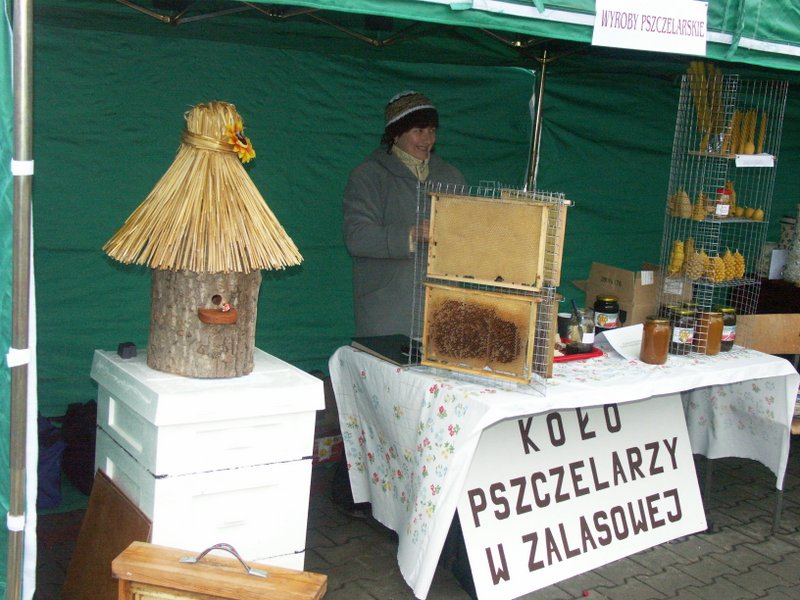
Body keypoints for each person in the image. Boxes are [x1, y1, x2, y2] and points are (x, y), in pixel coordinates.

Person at [343, 90, 465, 337]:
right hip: (387, 312)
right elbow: (357, 237)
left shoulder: (451, 177)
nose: (427, 139)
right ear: (395, 134)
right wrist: (410, 235)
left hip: (443, 309)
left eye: (432, 130)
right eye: (418, 130)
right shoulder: (368, 175)